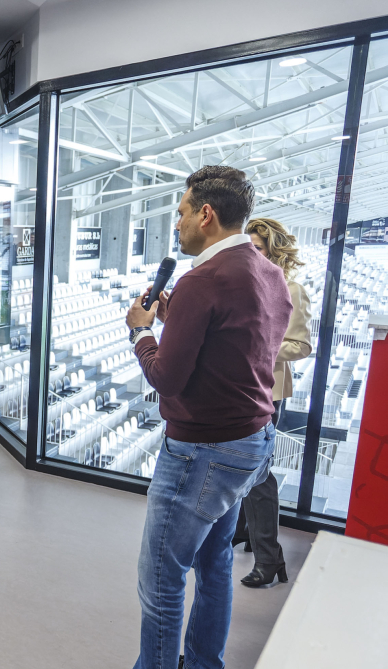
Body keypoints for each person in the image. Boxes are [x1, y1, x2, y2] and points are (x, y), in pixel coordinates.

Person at [125, 166, 290, 669]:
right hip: (251, 441)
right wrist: (179, 320)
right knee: (214, 564)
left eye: (181, 213)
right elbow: (237, 348)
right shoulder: (268, 272)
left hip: (202, 452)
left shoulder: (202, 280)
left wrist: (142, 332)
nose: (176, 224)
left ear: (206, 214)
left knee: (161, 576)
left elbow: (167, 378)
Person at [232, 217, 312, 588]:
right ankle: (245, 532)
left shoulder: (292, 288)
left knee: (257, 471)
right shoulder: (243, 282)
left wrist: (259, 349)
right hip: (237, 386)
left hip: (267, 390)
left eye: (259, 249)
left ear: (275, 251)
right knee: (242, 463)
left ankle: (269, 559)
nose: (253, 255)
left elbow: (301, 345)